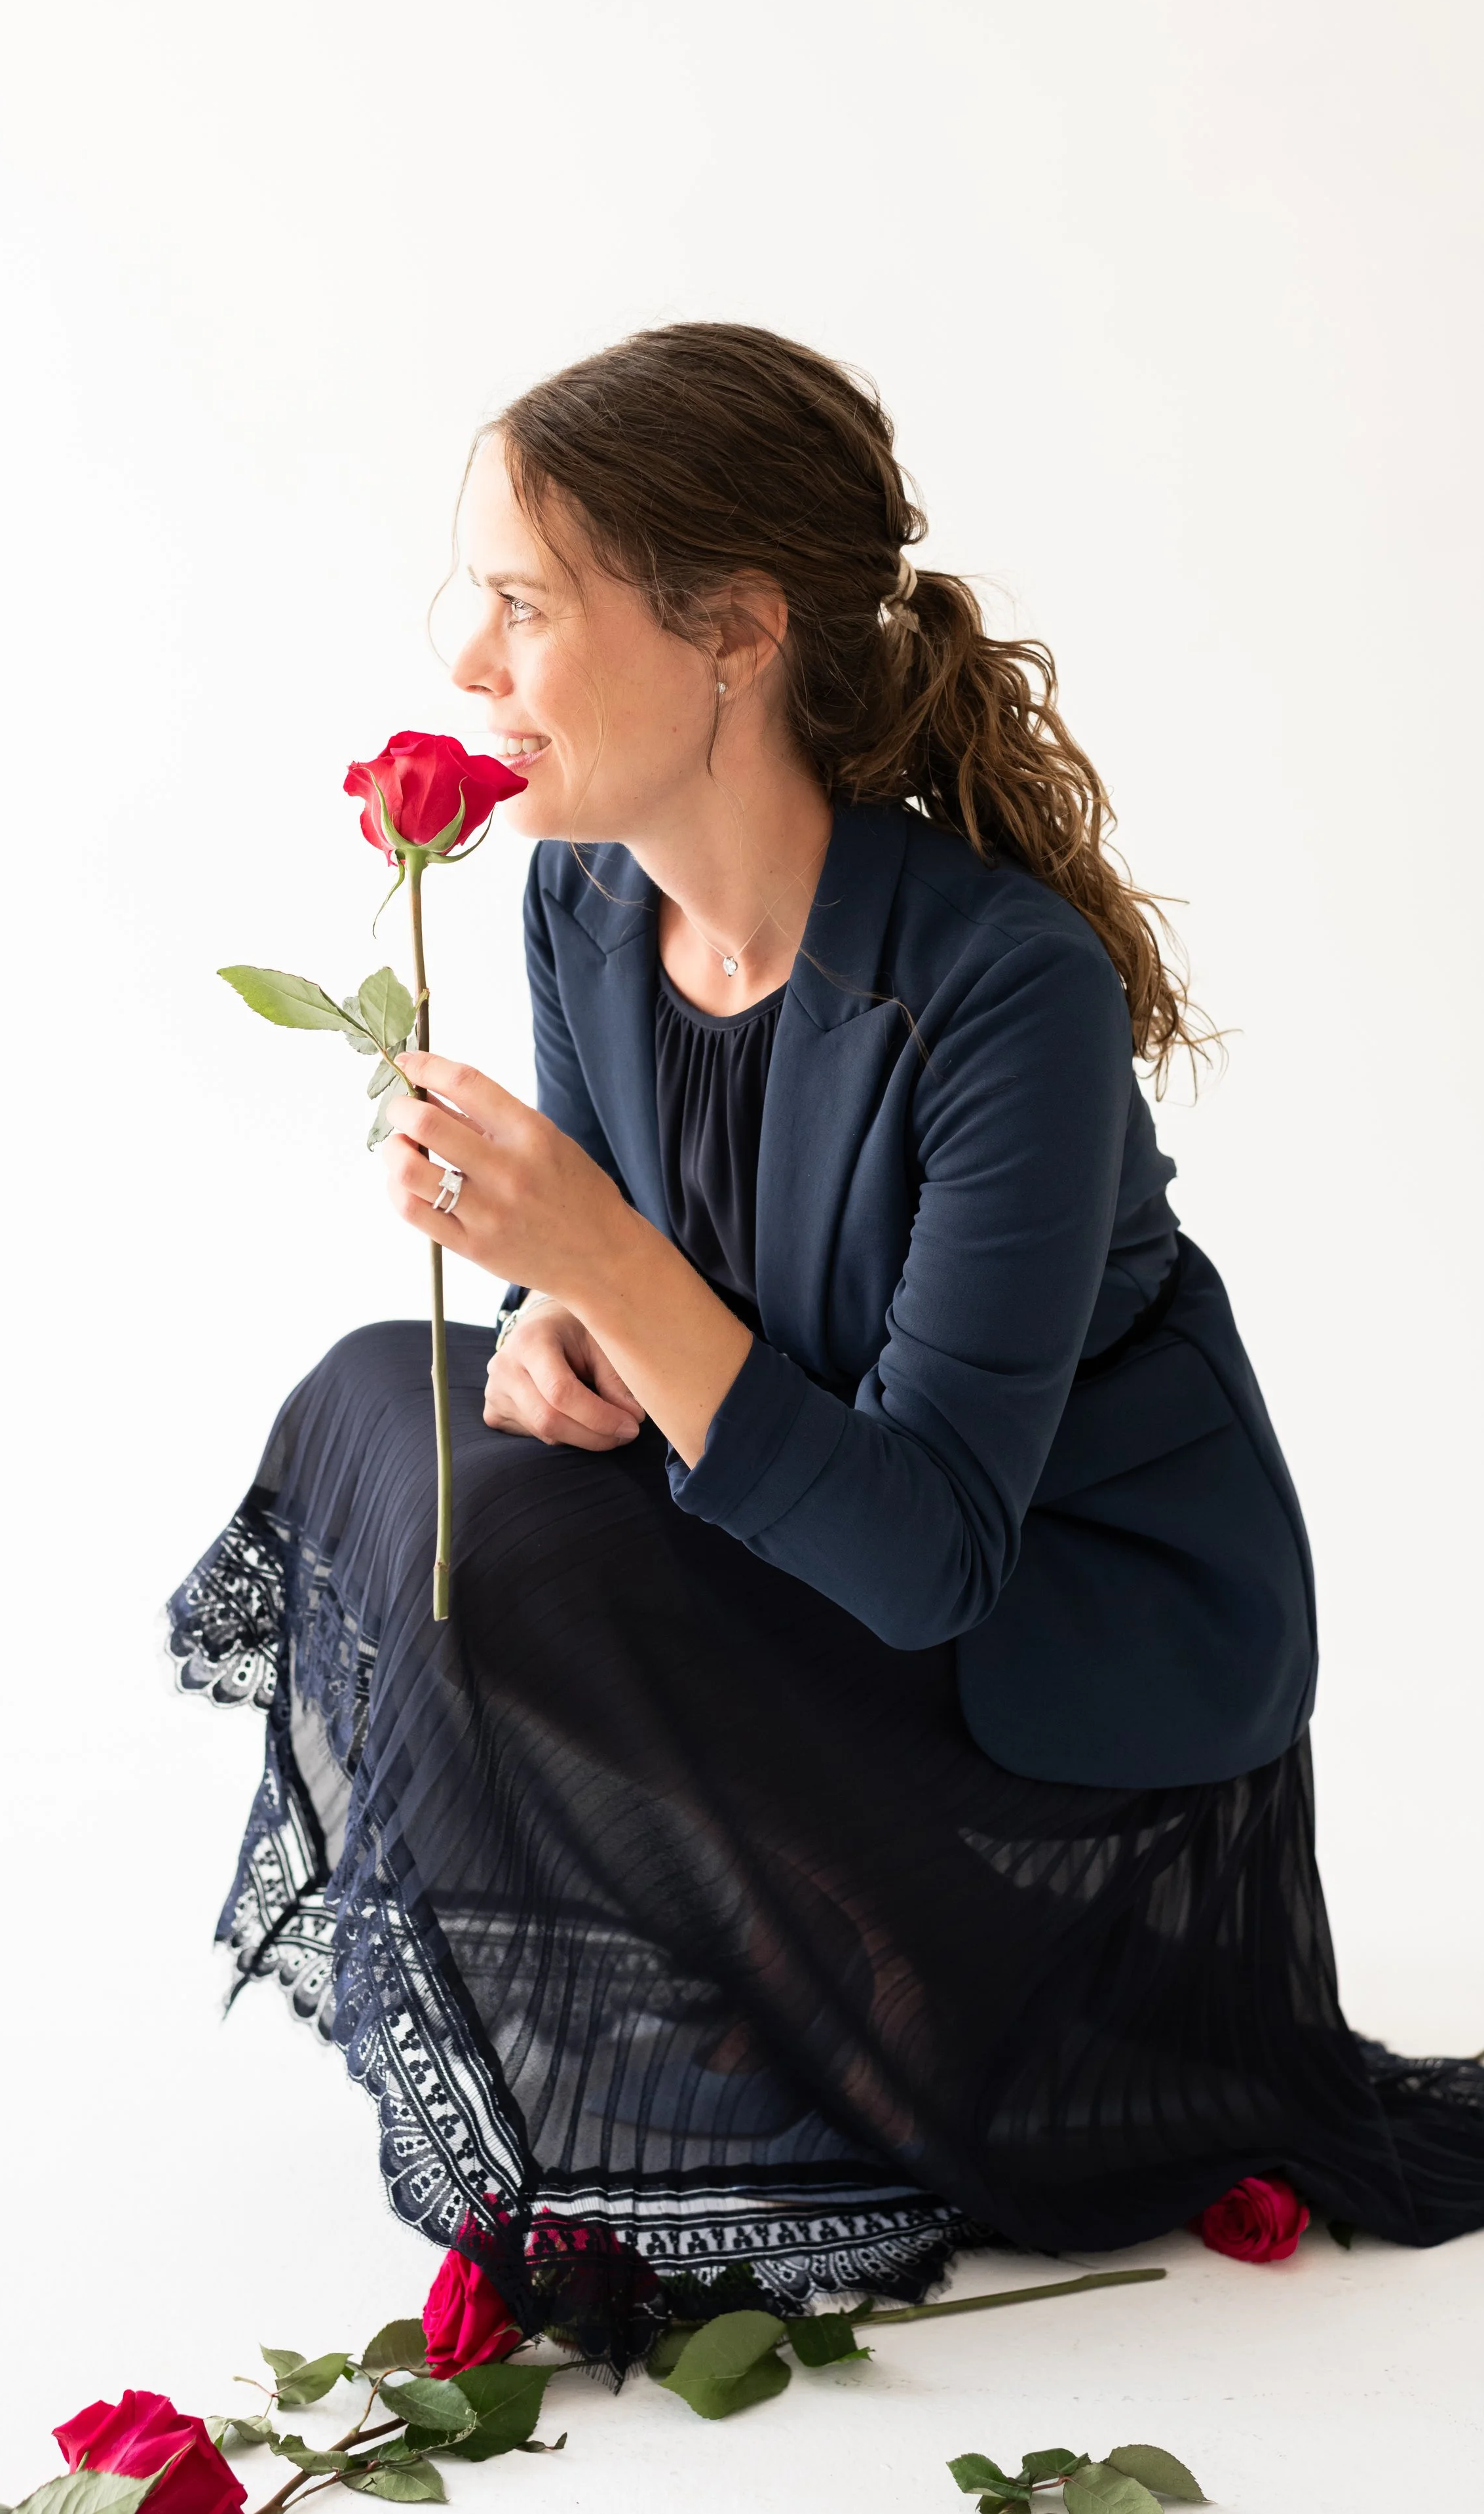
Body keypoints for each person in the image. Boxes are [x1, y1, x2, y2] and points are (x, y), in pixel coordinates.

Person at [169, 321, 1483, 2370]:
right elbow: (636, 1308)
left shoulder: (1000, 1000)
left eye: (525, 605)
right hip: (809, 1558)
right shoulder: (585, 904)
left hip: (1048, 1692)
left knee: (500, 1535)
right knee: (390, 1401)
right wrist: (542, 1322)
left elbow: (931, 1548)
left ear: (734, 637)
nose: (470, 665)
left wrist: (597, 1257)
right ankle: (781, 1972)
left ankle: (930, 1996)